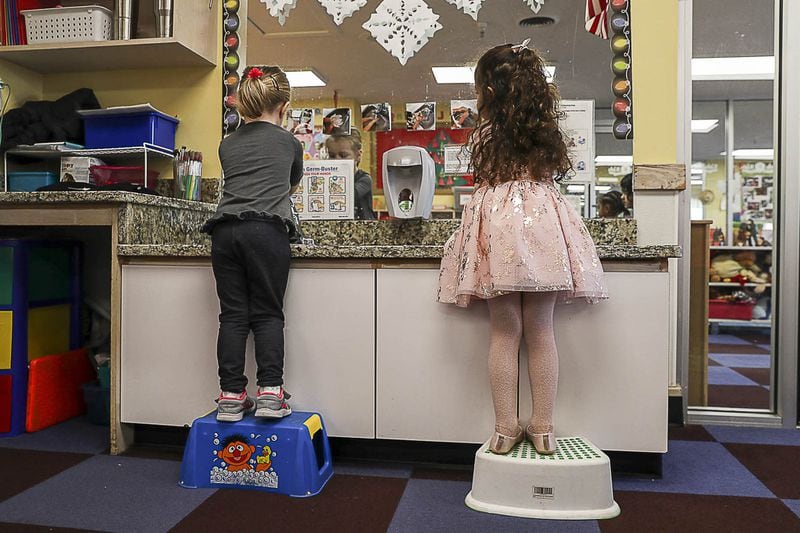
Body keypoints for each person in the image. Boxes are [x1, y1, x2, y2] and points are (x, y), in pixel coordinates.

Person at [437, 41, 607, 455]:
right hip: (544, 226)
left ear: (489, 92)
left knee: (505, 331)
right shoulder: (547, 131)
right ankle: (544, 429)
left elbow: (488, 181)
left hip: (499, 231)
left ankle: (504, 429)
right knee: (542, 331)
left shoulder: (487, 133)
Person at [202, 65, 303, 422]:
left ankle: (230, 396)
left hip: (225, 232)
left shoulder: (227, 145)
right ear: (284, 106)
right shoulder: (290, 143)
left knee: (232, 315)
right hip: (265, 231)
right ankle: (271, 394)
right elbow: (290, 186)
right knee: (267, 313)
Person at [325, 130, 377, 220]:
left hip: (362, 228)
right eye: (332, 155)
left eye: (343, 155)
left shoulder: (364, 179)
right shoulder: (328, 180)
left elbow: (349, 196)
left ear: (358, 155)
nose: (336, 161)